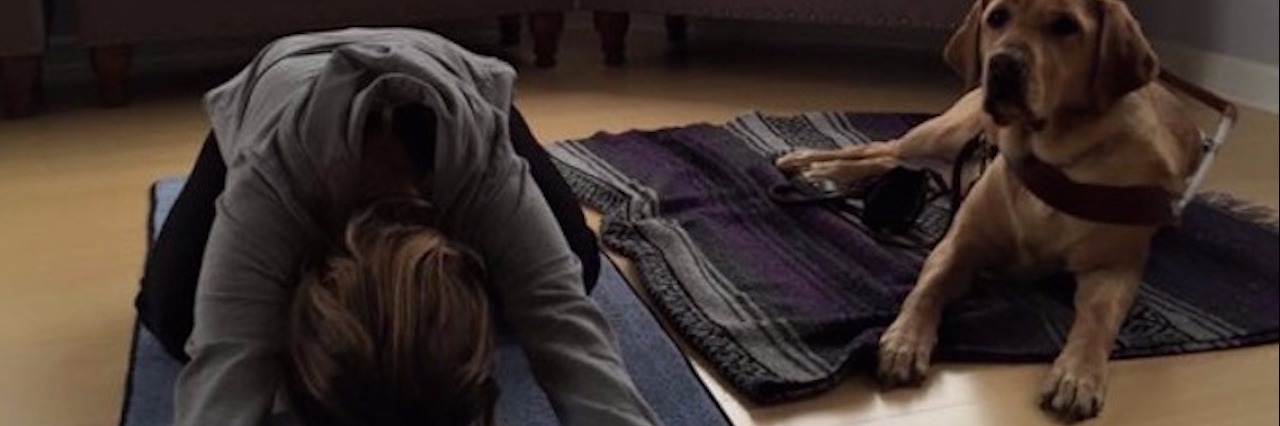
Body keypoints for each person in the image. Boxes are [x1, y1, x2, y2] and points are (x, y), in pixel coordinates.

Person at [134, 28, 659, 425]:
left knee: (576, 270)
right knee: (177, 319)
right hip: (274, 90)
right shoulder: (272, 175)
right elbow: (228, 355)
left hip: (451, 77)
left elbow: (564, 323)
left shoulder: (480, 161)